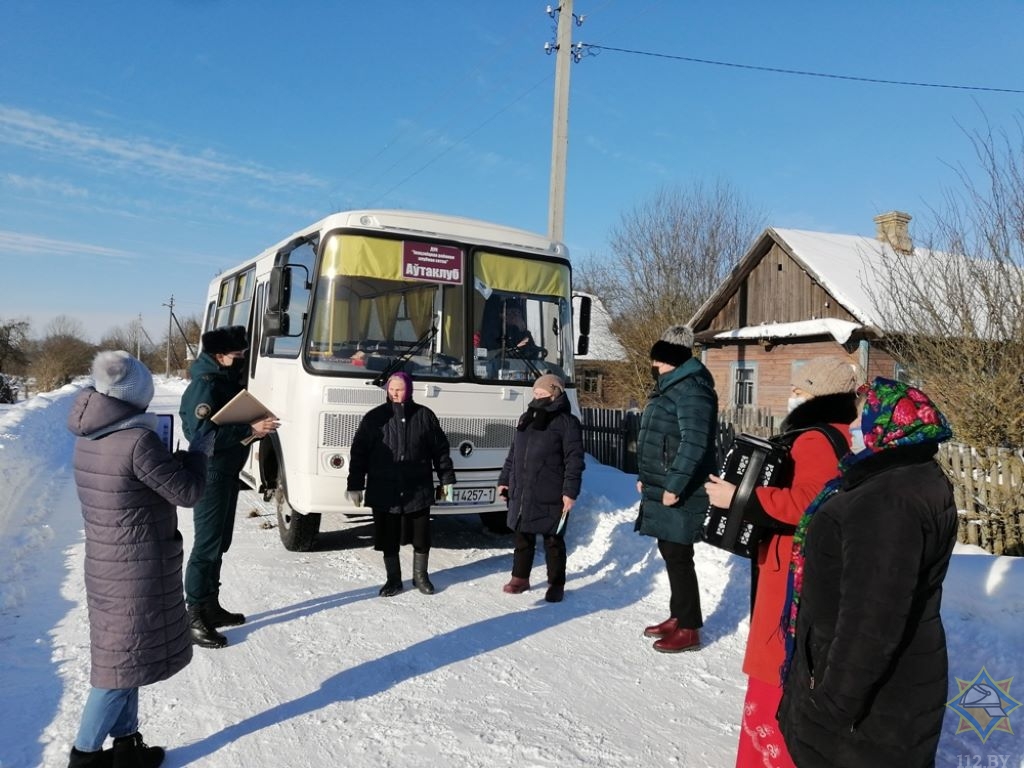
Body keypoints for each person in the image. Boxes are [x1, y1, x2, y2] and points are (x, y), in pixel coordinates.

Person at [776, 377, 957, 768]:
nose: (854, 428)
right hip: (890, 685)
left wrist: (830, 707)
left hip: (866, 712)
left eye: (862, 418)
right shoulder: (910, 475)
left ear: (888, 424)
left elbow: (871, 621)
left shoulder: (886, 501)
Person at [704, 357, 860, 768]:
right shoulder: (837, 436)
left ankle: (766, 757)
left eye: (800, 388)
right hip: (795, 565)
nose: (793, 395)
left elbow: (810, 502)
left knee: (776, 668)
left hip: (790, 570)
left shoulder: (815, 440)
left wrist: (740, 498)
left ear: (816, 395)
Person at [66, 351, 212, 768]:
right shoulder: (137, 441)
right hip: (136, 570)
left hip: (107, 564)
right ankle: (84, 756)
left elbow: (144, 482)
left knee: (126, 659)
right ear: (135, 396)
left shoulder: (88, 436)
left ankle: (126, 746)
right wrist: (199, 451)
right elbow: (187, 493)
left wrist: (173, 462)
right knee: (116, 672)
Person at [179, 326, 279, 649]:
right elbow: (202, 438)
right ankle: (193, 616)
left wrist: (251, 431)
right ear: (219, 356)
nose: (241, 362)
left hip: (226, 472)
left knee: (220, 543)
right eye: (237, 356)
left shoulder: (223, 381)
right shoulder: (204, 386)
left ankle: (210, 605)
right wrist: (248, 428)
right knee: (206, 546)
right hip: (210, 474)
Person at [635, 325, 718, 653]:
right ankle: (679, 615)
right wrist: (648, 476)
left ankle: (690, 628)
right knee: (671, 552)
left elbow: (694, 443)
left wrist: (673, 485)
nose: (653, 366)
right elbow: (660, 437)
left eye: (658, 360)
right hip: (664, 484)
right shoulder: (671, 387)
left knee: (680, 554)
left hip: (683, 489)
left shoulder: (693, 390)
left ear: (672, 359)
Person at [347, 371, 456, 596]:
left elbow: (440, 451)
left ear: (409, 389)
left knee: (421, 536)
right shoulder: (374, 418)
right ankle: (393, 580)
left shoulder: (425, 416)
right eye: (392, 389)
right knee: (388, 536)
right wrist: (355, 484)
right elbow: (359, 453)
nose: (395, 393)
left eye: (400, 389)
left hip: (418, 488)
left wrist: (446, 480)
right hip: (384, 488)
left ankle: (420, 576)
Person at [497, 374, 585, 602]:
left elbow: (574, 460)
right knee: (522, 535)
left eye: (542, 394)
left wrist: (570, 492)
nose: (537, 398)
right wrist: (504, 479)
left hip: (551, 489)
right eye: (535, 394)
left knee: (553, 539)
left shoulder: (567, 422)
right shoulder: (526, 418)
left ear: (555, 393)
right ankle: (520, 577)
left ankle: (556, 583)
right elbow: (514, 454)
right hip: (523, 488)